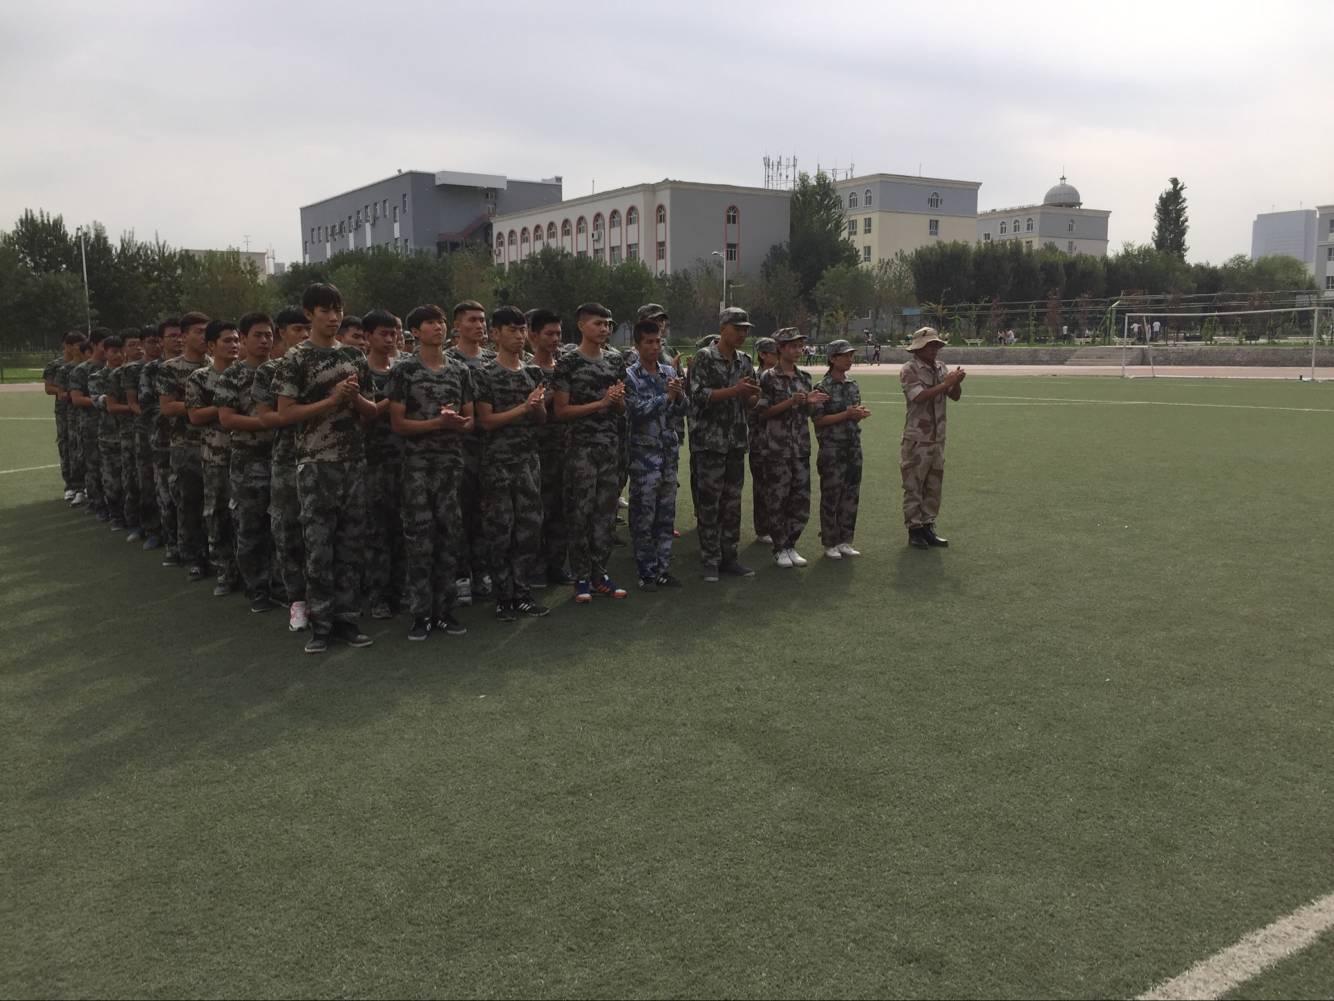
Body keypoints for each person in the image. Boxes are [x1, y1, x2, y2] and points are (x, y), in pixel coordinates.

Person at [276, 283, 378, 653]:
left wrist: (355, 398)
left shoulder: (354, 356)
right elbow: (285, 413)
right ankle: (321, 624)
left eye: (338, 310)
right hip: (316, 464)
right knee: (318, 548)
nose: (334, 318)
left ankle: (347, 619)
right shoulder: (296, 359)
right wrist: (332, 400)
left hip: (352, 463)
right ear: (309, 314)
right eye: (325, 311)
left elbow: (372, 412)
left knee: (351, 546)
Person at [388, 303, 473, 640]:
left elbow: (471, 422)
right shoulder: (404, 371)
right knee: (419, 540)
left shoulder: (459, 371)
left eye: (440, 322)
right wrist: (438, 423)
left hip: (450, 466)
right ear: (415, 332)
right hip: (417, 469)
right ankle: (421, 613)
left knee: (449, 538)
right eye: (430, 323)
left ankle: (445, 610)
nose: (438, 327)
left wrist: (457, 423)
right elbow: (397, 424)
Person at [475, 306, 550, 620]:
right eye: (512, 330)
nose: (519, 336)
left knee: (529, 528)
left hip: (527, 462)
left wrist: (536, 408)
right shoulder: (484, 374)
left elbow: (542, 420)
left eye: (522, 330)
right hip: (498, 464)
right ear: (495, 334)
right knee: (500, 531)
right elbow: (486, 421)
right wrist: (524, 408)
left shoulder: (533, 373)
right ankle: (503, 597)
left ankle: (522, 592)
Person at [553, 302, 629, 603]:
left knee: (605, 515)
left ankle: (600, 574)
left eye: (608, 324)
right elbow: (561, 411)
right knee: (580, 515)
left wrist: (617, 402)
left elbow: (622, 408)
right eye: (598, 323)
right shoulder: (568, 363)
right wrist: (600, 404)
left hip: (609, 448)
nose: (604, 329)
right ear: (581, 325)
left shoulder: (615, 360)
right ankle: (581, 576)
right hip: (580, 449)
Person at [686, 308, 760, 581]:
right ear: (723, 328)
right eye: (738, 328)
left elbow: (750, 401)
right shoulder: (704, 357)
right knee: (710, 504)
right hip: (709, 443)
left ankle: (729, 557)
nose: (742, 334)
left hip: (735, 442)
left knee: (732, 504)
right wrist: (735, 391)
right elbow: (698, 395)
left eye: (746, 329)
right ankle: (710, 559)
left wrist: (752, 396)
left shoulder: (745, 361)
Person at [216, 312, 279, 613]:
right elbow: (227, 419)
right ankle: (257, 587)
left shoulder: (283, 370)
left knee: (281, 526)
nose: (265, 340)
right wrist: (271, 421)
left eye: (269, 335)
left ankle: (279, 584)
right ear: (243, 338)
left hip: (280, 458)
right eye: (258, 335)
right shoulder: (233, 376)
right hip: (248, 461)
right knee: (251, 525)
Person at [253, 306, 310, 628]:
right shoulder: (270, 371)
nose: (304, 335)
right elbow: (265, 417)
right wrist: (308, 411)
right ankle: (297, 600)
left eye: (307, 329)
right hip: (289, 460)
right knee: (288, 530)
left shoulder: (331, 364)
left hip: (326, 458)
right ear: (282, 334)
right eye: (297, 329)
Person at [755, 328, 828, 567]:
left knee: (801, 500)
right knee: (777, 499)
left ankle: (790, 544)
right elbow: (762, 413)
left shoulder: (804, 377)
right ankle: (779, 547)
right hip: (776, 449)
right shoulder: (768, 377)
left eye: (800, 346)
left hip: (800, 448)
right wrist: (790, 401)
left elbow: (806, 413)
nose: (798, 350)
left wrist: (809, 403)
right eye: (793, 346)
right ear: (781, 348)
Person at [624, 318, 687, 590]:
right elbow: (635, 411)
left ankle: (662, 568)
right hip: (644, 456)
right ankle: (646, 571)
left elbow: (681, 411)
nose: (654, 347)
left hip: (667, 453)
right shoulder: (630, 376)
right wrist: (667, 398)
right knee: (643, 514)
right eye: (649, 342)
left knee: (665, 514)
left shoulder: (668, 373)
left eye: (658, 341)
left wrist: (679, 396)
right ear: (637, 345)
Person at [187, 320, 242, 596]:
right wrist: (225, 406)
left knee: (248, 515)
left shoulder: (249, 373)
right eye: (227, 341)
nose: (234, 345)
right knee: (218, 514)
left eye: (236, 340)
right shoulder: (199, 378)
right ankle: (226, 571)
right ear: (211, 346)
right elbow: (195, 416)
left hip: (247, 455)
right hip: (216, 456)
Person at [445, 300, 495, 605]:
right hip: (459, 450)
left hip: (493, 448)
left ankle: (483, 570)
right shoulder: (447, 360)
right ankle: (461, 573)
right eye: (472, 320)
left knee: (486, 513)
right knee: (459, 514)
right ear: (457, 325)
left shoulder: (493, 360)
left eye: (482, 320)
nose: (479, 325)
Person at [900, 327, 964, 549]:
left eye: (936, 345)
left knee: (934, 485)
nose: (934, 349)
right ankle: (914, 530)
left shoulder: (940, 367)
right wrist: (946, 383)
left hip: (937, 437)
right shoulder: (909, 369)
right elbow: (918, 397)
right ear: (918, 348)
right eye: (930, 345)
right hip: (918, 438)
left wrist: (956, 382)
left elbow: (954, 396)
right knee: (914, 485)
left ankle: (928, 526)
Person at [158, 312, 211, 578]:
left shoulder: (217, 365)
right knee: (189, 503)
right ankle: (194, 557)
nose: (204, 337)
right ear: (184, 335)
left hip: (215, 444)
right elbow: (167, 407)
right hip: (185, 445)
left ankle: (217, 555)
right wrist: (202, 407)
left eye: (206, 331)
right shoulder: (171, 368)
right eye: (198, 332)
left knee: (215, 504)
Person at [361, 308, 405, 620]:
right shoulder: (360, 372)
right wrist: (395, 399)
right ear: (368, 337)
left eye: (393, 333)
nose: (390, 339)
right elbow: (364, 416)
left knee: (403, 527)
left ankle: (400, 590)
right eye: (383, 334)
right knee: (376, 531)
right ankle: (377, 595)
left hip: (404, 458)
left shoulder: (403, 369)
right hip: (372, 461)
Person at [525, 308, 571, 587]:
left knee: (560, 508)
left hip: (563, 447)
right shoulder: (526, 370)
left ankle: (556, 564)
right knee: (535, 511)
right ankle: (535, 566)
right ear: (533, 335)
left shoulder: (565, 367)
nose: (555, 339)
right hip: (535, 449)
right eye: (549, 333)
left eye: (558, 334)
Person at [814, 339, 870, 559]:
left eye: (850, 355)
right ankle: (829, 542)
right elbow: (819, 420)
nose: (849, 359)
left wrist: (858, 414)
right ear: (832, 359)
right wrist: (847, 414)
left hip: (852, 446)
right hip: (832, 448)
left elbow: (852, 412)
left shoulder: (852, 384)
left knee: (851, 494)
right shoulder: (822, 387)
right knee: (831, 495)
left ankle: (845, 540)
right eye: (844, 355)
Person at [141, 319, 181, 556]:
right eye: (171, 336)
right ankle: (169, 542)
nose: (177, 340)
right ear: (161, 340)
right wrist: (185, 411)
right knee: (165, 493)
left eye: (180, 335)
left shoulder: (201, 365)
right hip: (164, 441)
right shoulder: (152, 370)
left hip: (196, 442)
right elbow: (147, 407)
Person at [125, 324, 163, 548]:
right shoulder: (134, 369)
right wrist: (156, 414)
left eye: (158, 341)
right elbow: (133, 403)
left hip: (168, 431)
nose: (156, 345)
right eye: (151, 342)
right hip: (144, 430)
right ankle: (150, 528)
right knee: (146, 480)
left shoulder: (168, 366)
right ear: (142, 344)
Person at [69, 328, 110, 521]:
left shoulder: (114, 367)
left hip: (113, 425)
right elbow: (76, 399)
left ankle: (113, 503)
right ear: (93, 345)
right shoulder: (81, 370)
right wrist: (99, 400)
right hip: (91, 425)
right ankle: (97, 503)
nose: (108, 349)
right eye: (104, 345)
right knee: (93, 465)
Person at [107, 328, 144, 538]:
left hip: (148, 432)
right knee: (131, 478)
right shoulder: (117, 374)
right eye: (132, 345)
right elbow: (111, 406)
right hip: (128, 433)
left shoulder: (152, 369)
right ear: (123, 350)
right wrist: (136, 408)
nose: (138, 348)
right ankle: (133, 522)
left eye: (140, 344)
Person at [93, 334, 126, 531]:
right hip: (109, 435)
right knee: (112, 479)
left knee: (131, 479)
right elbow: (99, 401)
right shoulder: (98, 377)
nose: (119, 355)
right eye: (114, 352)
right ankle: (115, 515)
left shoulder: (131, 374)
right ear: (105, 353)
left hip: (130, 435)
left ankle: (131, 516)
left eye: (121, 351)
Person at [747, 336, 779, 545]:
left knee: (779, 486)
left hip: (781, 440)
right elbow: (753, 412)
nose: (778, 357)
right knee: (762, 487)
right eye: (775, 353)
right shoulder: (756, 380)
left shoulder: (780, 378)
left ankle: (777, 525)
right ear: (763, 355)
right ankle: (763, 528)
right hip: (761, 440)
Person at [46, 333, 84, 501]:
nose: (79, 348)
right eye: (76, 344)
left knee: (80, 444)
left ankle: (84, 484)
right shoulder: (56, 365)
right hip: (63, 410)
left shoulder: (84, 364)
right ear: (66, 346)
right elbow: (49, 388)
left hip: (80, 409)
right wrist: (66, 391)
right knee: (66, 443)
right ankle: (70, 484)